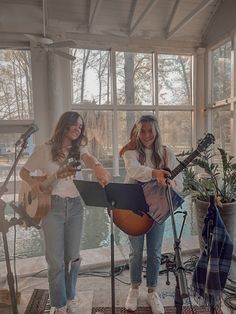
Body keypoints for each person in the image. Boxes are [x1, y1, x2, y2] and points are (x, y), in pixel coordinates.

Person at [19, 111, 110, 314]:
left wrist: (98, 168)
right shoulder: (45, 149)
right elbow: (23, 172)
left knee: (73, 257)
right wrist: (35, 184)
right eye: (75, 125)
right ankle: (58, 305)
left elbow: (89, 158)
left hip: (76, 206)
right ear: (64, 126)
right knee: (55, 261)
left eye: (81, 126)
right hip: (52, 207)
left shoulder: (79, 150)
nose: (79, 129)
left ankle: (71, 297)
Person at [120, 115, 183, 314]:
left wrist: (171, 183)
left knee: (155, 252)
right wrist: (156, 173)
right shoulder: (129, 152)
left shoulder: (167, 153)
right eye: (143, 131)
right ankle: (134, 288)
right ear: (137, 132)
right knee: (135, 252)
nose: (147, 135)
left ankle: (152, 291)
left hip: (158, 209)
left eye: (150, 130)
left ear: (156, 132)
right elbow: (135, 171)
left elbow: (179, 182)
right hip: (134, 209)